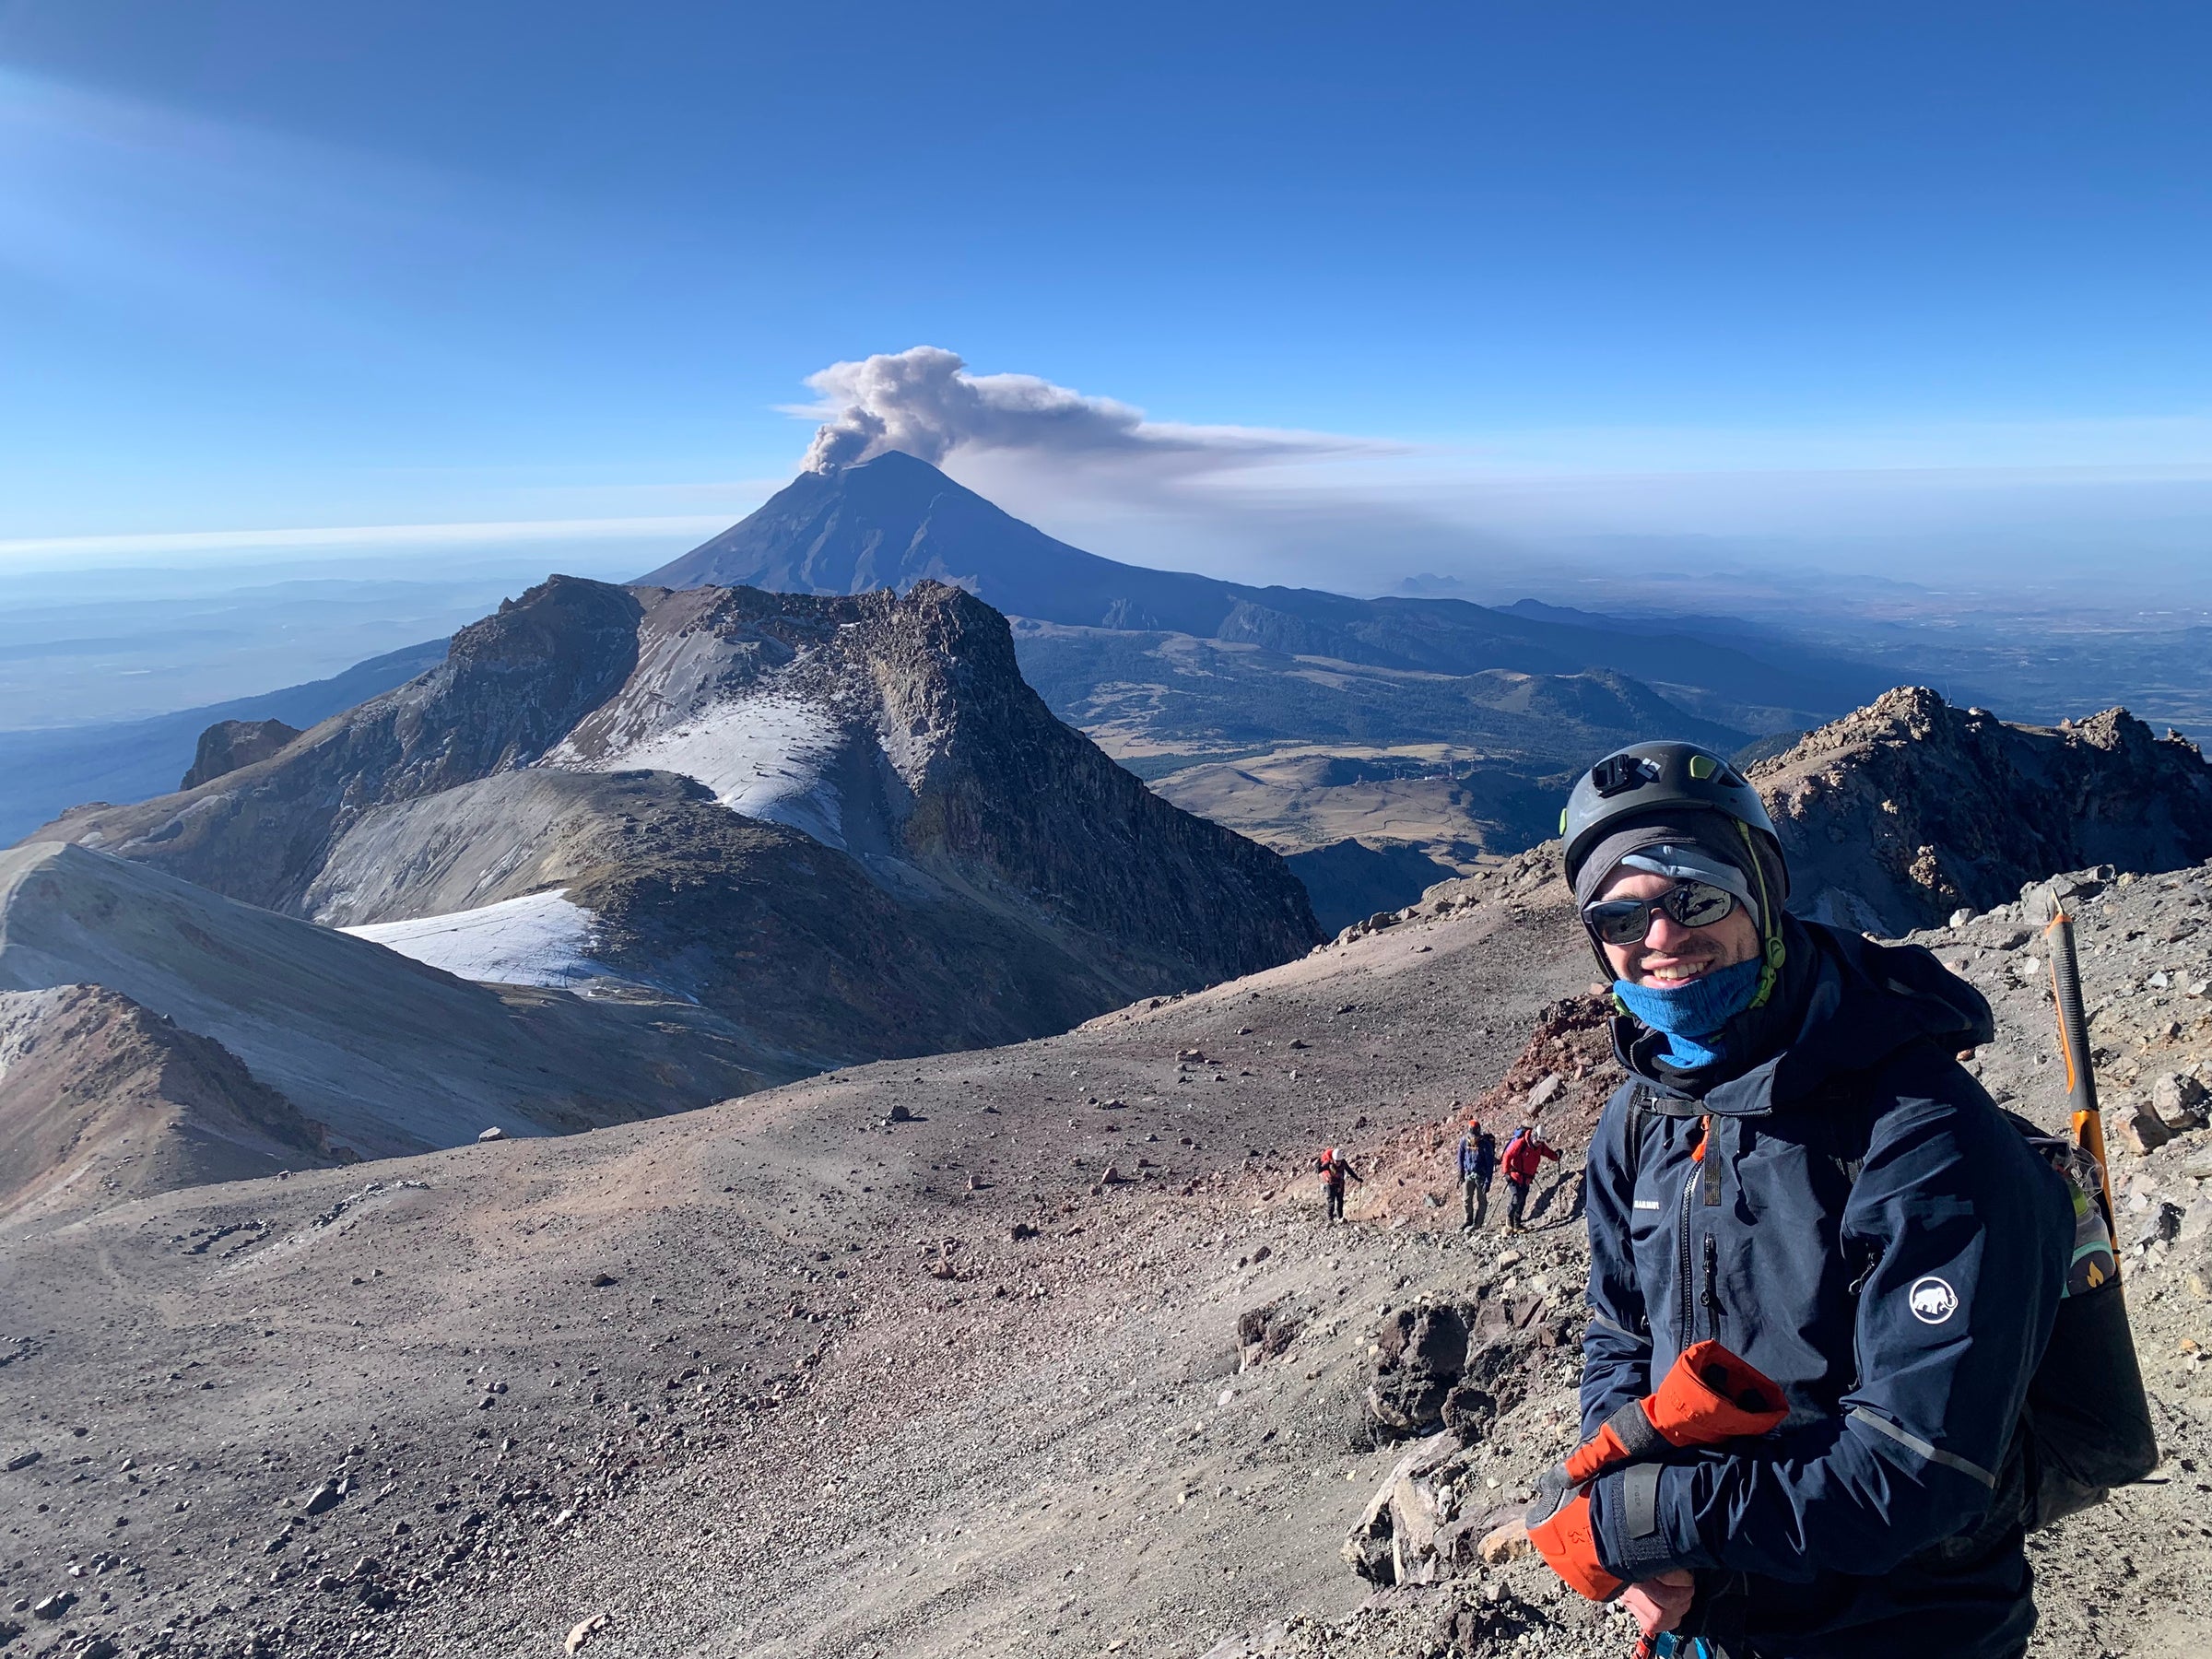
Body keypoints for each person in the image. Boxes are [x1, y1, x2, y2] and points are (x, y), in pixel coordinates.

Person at [1527, 740, 2076, 1659]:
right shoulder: (1640, 1117)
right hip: (1707, 1615)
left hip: (1905, 1631)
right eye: (1621, 919)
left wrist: (1653, 1516)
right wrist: (1625, 1494)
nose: (1661, 938)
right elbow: (1620, 1332)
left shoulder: (1919, 1124)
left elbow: (1916, 1466)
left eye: (1694, 898)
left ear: (1762, 895)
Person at [1500, 1123, 1559, 1231]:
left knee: (1522, 1200)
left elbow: (1549, 1153)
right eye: (1537, 1141)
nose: (1538, 1144)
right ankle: (1509, 1220)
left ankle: (1517, 1224)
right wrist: (1506, 1173)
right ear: (1534, 1136)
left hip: (1527, 1178)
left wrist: (1556, 1156)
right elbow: (1507, 1155)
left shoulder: (1540, 1146)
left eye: (1541, 1142)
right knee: (1516, 1198)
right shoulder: (1521, 1143)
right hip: (1515, 1176)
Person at [1456, 1118, 1497, 1229]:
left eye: (1475, 1137)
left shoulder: (1485, 1145)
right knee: (1466, 1199)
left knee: (1481, 1200)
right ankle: (1468, 1220)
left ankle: (1478, 1223)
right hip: (1468, 1174)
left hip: (1481, 1176)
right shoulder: (1464, 1141)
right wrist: (1460, 1172)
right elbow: (1460, 1156)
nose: (1473, 1139)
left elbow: (1489, 1165)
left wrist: (1488, 1182)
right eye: (1472, 1136)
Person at [1316, 1146, 1361, 1224]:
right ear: (1333, 1159)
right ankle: (1330, 1219)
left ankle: (1340, 1217)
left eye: (1339, 1161)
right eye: (1336, 1161)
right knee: (1331, 1201)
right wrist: (1318, 1165)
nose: (1338, 1163)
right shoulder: (1328, 1163)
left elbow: (1349, 1170)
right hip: (1330, 1184)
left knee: (1340, 1201)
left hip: (1340, 1184)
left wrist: (1357, 1178)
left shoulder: (1343, 1162)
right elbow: (1320, 1170)